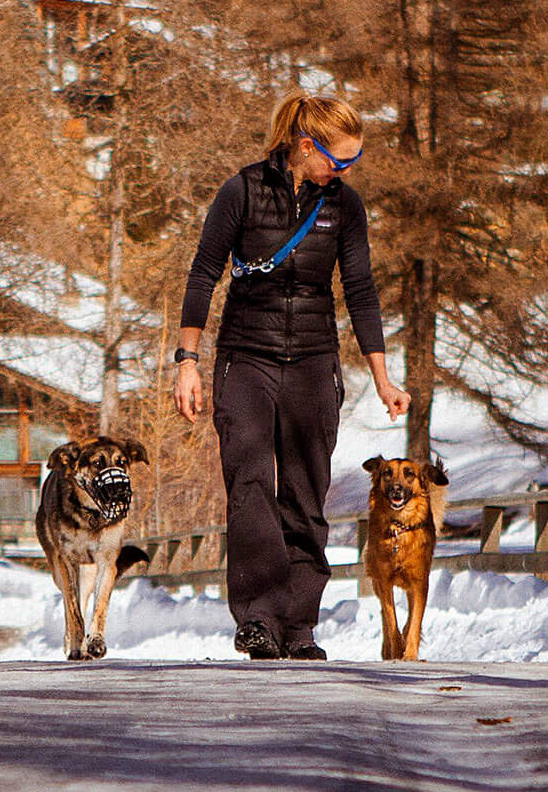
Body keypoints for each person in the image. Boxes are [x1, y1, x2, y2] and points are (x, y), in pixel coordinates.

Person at [174, 93, 410, 660]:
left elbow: (360, 290)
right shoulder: (242, 190)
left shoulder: (343, 207)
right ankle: (257, 620)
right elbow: (204, 272)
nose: (346, 171)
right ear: (308, 147)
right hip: (245, 359)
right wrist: (186, 361)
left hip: (312, 360)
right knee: (250, 488)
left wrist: (382, 378)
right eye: (341, 160)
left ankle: (300, 625)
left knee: (305, 493)